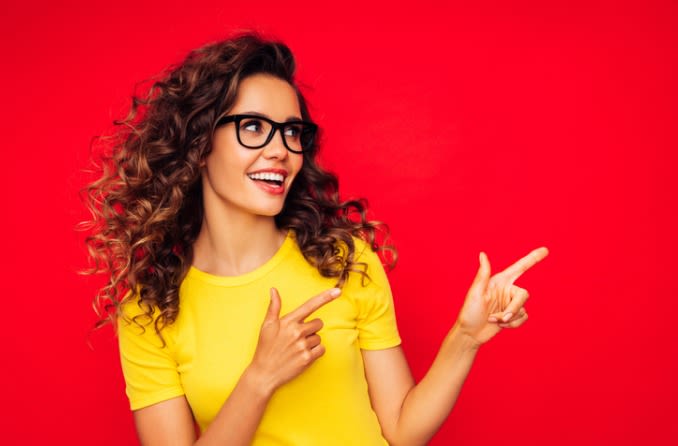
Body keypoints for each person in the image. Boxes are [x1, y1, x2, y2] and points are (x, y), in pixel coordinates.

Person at [83, 32, 549, 446]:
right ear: (200, 143)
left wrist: (465, 337)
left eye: (291, 132)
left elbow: (403, 432)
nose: (281, 149)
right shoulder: (149, 309)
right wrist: (260, 378)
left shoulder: (343, 262)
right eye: (253, 127)